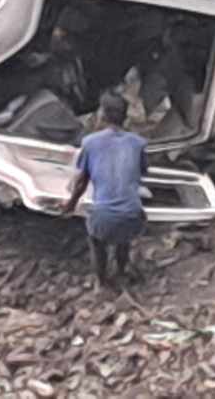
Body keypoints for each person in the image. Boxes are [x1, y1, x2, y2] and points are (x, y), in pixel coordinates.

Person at [62, 92, 148, 287]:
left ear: (102, 114)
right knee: (123, 235)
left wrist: (70, 205)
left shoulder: (90, 143)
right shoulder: (138, 143)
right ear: (125, 117)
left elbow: (81, 182)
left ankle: (101, 280)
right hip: (132, 217)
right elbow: (141, 172)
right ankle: (121, 269)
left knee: (97, 241)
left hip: (103, 218)